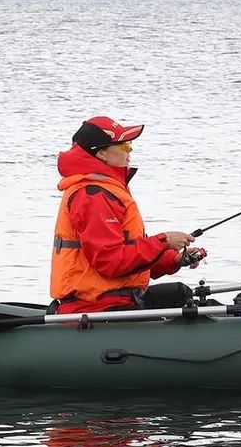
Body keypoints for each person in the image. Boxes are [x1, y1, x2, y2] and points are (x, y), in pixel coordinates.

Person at [50, 116, 206, 315]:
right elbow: (111, 261)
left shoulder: (105, 190)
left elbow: (130, 256)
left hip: (114, 300)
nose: (130, 151)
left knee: (180, 293)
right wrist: (163, 241)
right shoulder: (94, 195)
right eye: (124, 145)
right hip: (97, 308)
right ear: (102, 153)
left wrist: (174, 259)